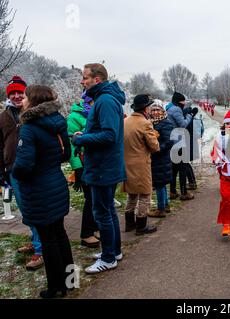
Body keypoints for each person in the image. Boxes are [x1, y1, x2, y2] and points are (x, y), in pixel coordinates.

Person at [12, 85, 73, 298]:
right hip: (56, 182)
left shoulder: (29, 127)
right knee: (60, 235)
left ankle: (56, 288)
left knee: (48, 240)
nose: (23, 101)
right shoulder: (58, 121)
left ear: (34, 100)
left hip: (39, 189)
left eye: (26, 97)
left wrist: (15, 174)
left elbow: (24, 165)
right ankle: (70, 281)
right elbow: (66, 154)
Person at [73, 63, 126, 274]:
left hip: (103, 167)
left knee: (102, 213)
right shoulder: (105, 99)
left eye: (85, 77)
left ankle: (108, 257)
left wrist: (81, 138)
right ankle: (114, 251)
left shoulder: (104, 101)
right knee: (108, 211)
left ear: (97, 79)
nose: (82, 81)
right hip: (105, 165)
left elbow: (109, 135)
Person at [0, 75, 44, 271]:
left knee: (35, 208)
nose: (17, 96)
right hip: (12, 169)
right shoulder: (3, 117)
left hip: (33, 169)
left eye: (20, 92)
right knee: (25, 209)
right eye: (13, 93)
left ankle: (40, 250)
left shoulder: (34, 113)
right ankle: (35, 240)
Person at [122, 94, 159, 235]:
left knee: (131, 195)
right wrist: (155, 136)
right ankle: (141, 226)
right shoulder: (145, 123)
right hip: (141, 165)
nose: (150, 109)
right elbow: (155, 147)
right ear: (145, 109)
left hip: (127, 164)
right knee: (145, 195)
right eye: (149, 107)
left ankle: (129, 224)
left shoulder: (125, 121)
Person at [67, 92, 100, 248]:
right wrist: (77, 168)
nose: (94, 103)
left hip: (95, 162)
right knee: (90, 198)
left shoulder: (96, 114)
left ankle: (95, 227)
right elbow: (72, 143)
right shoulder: (74, 117)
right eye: (92, 100)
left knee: (96, 197)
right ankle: (86, 234)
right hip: (83, 163)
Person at [166, 92, 198, 201]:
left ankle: (173, 191)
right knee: (183, 168)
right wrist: (190, 115)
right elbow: (183, 124)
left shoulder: (170, 109)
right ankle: (184, 193)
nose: (184, 103)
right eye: (183, 101)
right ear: (180, 101)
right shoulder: (176, 109)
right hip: (178, 140)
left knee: (174, 168)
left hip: (172, 140)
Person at [148, 100, 174, 218]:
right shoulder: (151, 123)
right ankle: (165, 205)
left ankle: (161, 209)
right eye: (153, 110)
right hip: (156, 158)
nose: (155, 112)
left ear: (162, 111)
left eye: (157, 109)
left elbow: (169, 142)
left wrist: (157, 149)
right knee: (161, 183)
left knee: (159, 183)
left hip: (161, 157)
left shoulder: (166, 123)